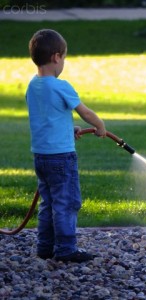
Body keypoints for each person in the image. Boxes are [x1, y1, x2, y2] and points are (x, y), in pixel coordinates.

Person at [26, 29, 106, 263]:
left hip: (41, 156)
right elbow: (85, 112)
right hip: (61, 158)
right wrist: (100, 125)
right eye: (65, 58)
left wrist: (66, 130)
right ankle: (66, 249)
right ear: (56, 57)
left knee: (48, 202)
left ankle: (45, 246)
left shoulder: (33, 85)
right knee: (67, 203)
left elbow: (47, 117)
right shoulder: (61, 86)